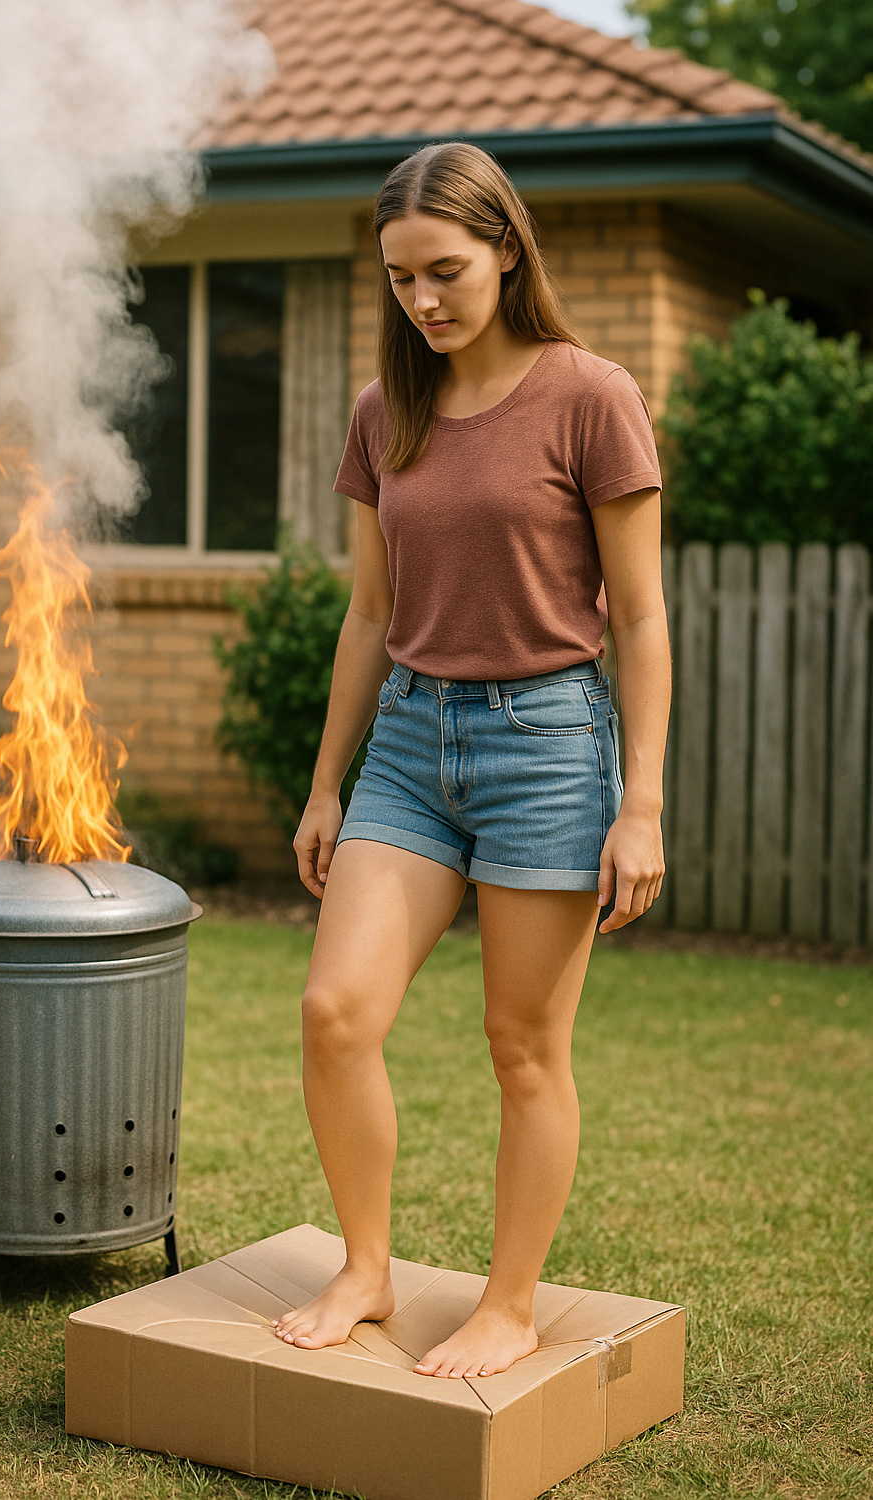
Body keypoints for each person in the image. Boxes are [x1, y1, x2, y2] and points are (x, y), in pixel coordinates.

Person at [271, 141, 670, 1380]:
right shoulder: (383, 412)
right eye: (400, 281)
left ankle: (508, 1303)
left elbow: (643, 616)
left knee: (522, 1049)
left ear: (506, 247)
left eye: (444, 270)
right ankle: (367, 1268)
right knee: (335, 1012)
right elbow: (366, 611)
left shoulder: (589, 394)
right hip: (406, 742)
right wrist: (327, 779)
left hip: (548, 746)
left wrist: (641, 803)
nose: (424, 301)